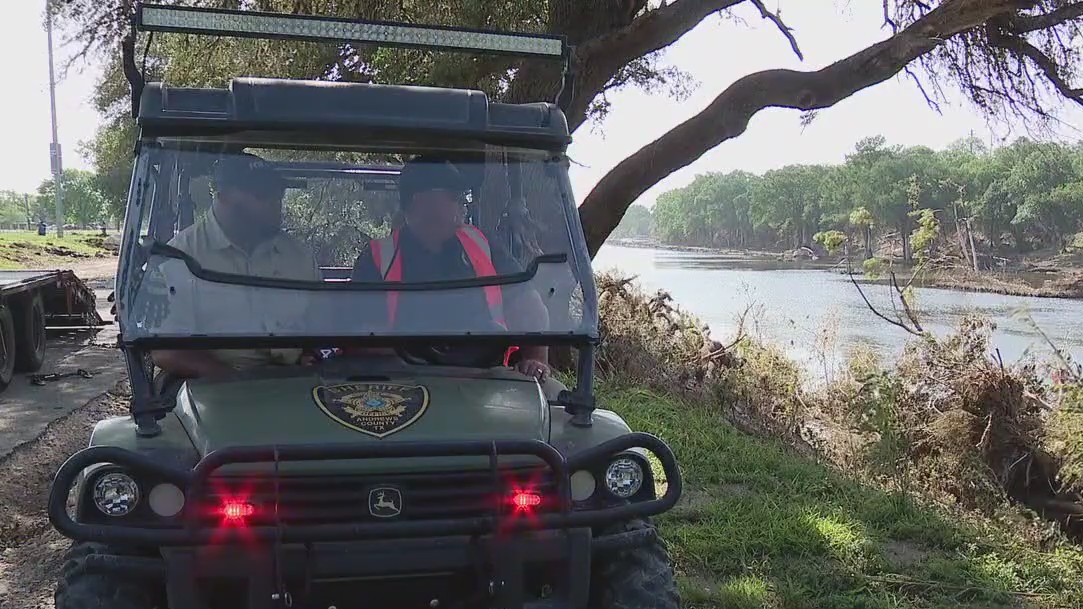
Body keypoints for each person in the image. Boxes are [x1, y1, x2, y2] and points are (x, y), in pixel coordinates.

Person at [350, 156, 561, 395]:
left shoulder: (484, 244)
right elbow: (360, 336)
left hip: (488, 376)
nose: (464, 203)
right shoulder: (377, 258)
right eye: (455, 195)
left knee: (559, 405)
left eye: (464, 196)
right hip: (401, 383)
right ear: (421, 200)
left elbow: (527, 303)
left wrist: (535, 360)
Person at [150, 153, 323, 379]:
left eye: (278, 194)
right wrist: (240, 383)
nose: (275, 203)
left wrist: (311, 353)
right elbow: (168, 352)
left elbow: (322, 323)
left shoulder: (299, 256)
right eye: (262, 194)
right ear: (223, 196)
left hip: (293, 384)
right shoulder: (177, 257)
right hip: (207, 390)